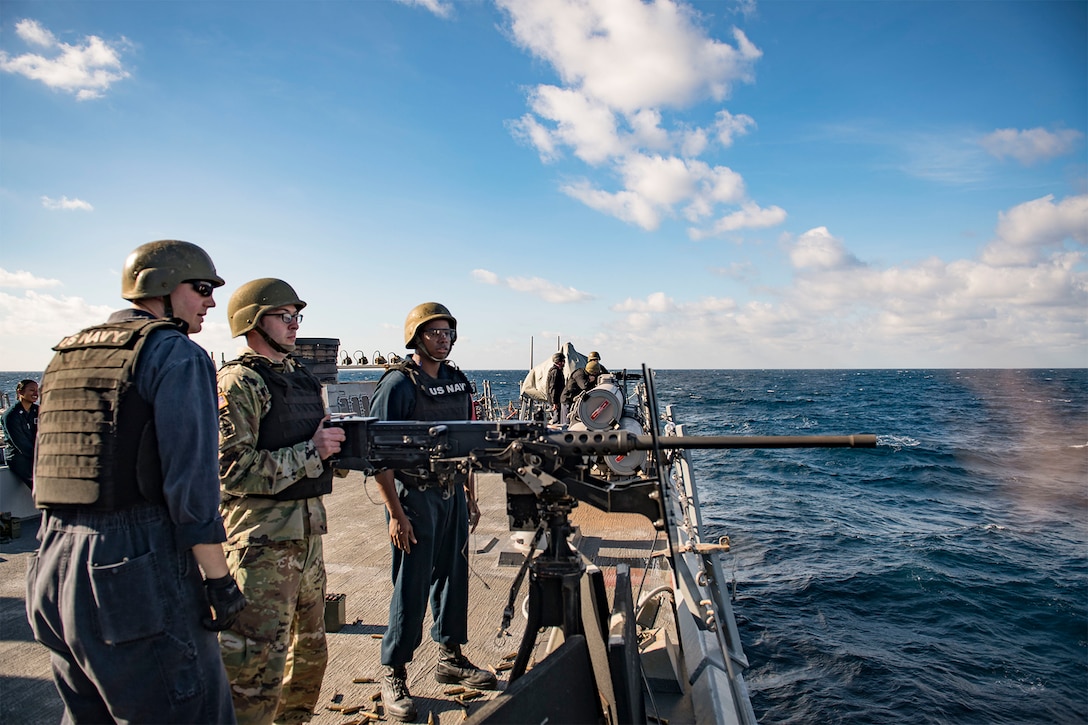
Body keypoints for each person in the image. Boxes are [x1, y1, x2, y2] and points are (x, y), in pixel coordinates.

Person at [26, 240, 244, 724]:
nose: (210, 302)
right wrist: (219, 582)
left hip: (51, 569)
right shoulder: (177, 354)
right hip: (133, 572)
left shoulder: (66, 353)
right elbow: (193, 493)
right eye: (203, 288)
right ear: (163, 288)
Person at [216, 278, 346, 724]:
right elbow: (231, 469)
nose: (294, 326)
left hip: (307, 538)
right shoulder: (238, 382)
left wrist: (343, 450)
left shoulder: (300, 378)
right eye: (283, 317)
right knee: (253, 668)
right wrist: (314, 452)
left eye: (297, 318)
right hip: (261, 545)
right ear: (253, 322)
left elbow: (315, 444)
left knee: (308, 659)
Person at [370, 302, 497, 722]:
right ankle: (394, 670)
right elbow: (380, 455)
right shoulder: (397, 386)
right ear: (417, 337)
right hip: (415, 498)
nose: (443, 339)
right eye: (435, 332)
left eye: (448, 333)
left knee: (453, 576)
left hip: (451, 494)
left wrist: (470, 495)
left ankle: (449, 655)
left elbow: (468, 442)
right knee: (411, 584)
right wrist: (394, 513)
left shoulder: (457, 382)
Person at [2, 378, 39, 487]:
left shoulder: (38, 411)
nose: (36, 393)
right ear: (20, 392)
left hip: (36, 456)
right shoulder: (11, 416)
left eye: (37, 390)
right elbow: (21, 444)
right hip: (19, 458)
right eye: (32, 390)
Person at [561, 360, 602, 425]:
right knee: (567, 422)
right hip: (568, 399)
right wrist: (590, 380)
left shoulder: (586, 374)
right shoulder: (579, 374)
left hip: (574, 399)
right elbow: (584, 386)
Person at [545, 352, 565, 424]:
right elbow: (553, 388)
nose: (564, 363)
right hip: (556, 399)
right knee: (556, 419)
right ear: (559, 362)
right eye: (563, 361)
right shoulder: (555, 372)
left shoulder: (557, 371)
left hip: (557, 398)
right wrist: (555, 403)